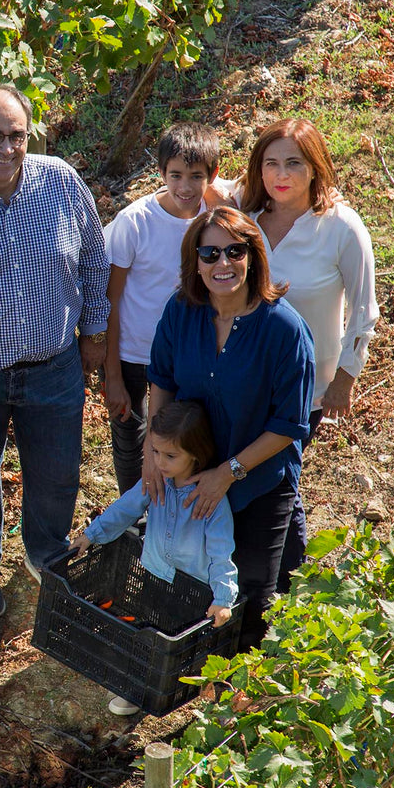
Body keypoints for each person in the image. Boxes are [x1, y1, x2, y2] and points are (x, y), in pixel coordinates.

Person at [0, 83, 111, 619]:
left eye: (16, 135)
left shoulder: (60, 182)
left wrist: (94, 334)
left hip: (53, 366)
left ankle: (46, 558)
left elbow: (93, 257)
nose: (6, 147)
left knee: (58, 471)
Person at [146, 207, 314, 652]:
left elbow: (289, 424)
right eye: (210, 253)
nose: (223, 263)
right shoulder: (181, 311)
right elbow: (161, 379)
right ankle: (180, 674)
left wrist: (228, 473)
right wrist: (152, 453)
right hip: (189, 479)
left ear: (253, 256)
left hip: (258, 483)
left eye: (234, 251)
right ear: (195, 262)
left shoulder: (284, 329)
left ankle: (234, 696)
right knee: (187, 579)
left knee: (252, 594)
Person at [239, 119, 379, 590]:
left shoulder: (340, 227)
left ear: (315, 168)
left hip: (307, 387)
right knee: (265, 479)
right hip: (243, 379)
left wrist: (346, 377)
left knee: (279, 476)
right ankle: (272, 579)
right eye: (271, 163)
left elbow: (365, 308)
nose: (281, 175)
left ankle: (284, 585)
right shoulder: (247, 217)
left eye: (294, 164)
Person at [69, 400, 238, 714]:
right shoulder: (156, 482)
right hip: (153, 574)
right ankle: (137, 689)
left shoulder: (210, 500)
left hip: (192, 589)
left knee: (180, 647)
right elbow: (125, 509)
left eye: (170, 456)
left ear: (196, 455)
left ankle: (191, 692)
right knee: (147, 636)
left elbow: (220, 552)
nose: (159, 462)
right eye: (156, 452)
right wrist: (91, 535)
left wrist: (224, 597)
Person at [102, 123, 221, 495]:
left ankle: (174, 514)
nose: (185, 187)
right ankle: (134, 517)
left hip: (186, 354)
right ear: (161, 173)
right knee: (131, 440)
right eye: (176, 175)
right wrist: (113, 377)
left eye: (196, 177)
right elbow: (113, 298)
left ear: (212, 176)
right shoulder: (135, 222)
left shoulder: (214, 220)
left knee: (181, 439)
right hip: (133, 354)